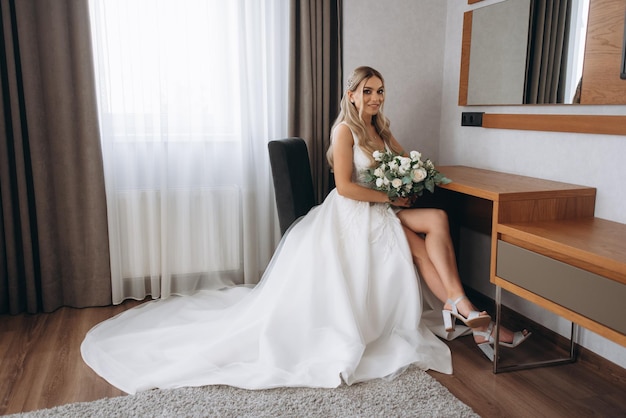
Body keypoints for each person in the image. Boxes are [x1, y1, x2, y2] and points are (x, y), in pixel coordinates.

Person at [81, 66, 526, 395]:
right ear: (350, 95)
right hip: (353, 212)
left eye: (381, 91)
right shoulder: (344, 133)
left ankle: (465, 311)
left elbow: (403, 164)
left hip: (381, 210)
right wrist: (392, 197)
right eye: (367, 91)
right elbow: (348, 187)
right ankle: (469, 314)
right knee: (424, 244)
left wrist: (407, 180)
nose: (375, 97)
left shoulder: (382, 129)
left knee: (437, 220)